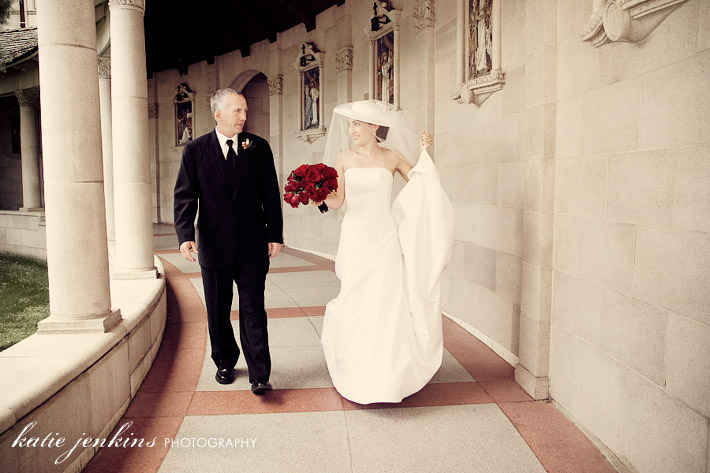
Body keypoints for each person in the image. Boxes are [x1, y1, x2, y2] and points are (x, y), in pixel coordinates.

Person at [318, 100, 454, 404]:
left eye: (357, 124)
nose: (351, 130)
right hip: (355, 238)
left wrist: (424, 155)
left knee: (386, 302)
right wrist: (317, 195)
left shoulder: (391, 157)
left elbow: (421, 183)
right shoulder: (343, 157)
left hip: (384, 239)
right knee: (356, 298)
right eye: (351, 124)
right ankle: (355, 371)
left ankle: (387, 376)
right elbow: (338, 202)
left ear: (373, 127)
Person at [173, 88, 283, 395]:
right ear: (218, 113)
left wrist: (275, 234)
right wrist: (185, 237)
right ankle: (224, 362)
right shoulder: (195, 151)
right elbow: (184, 197)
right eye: (238, 111)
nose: (244, 117)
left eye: (245, 111)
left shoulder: (258, 147)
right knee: (218, 310)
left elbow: (269, 194)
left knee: (253, 309)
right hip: (214, 245)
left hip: (252, 244)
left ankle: (260, 373)